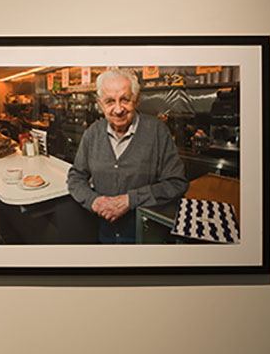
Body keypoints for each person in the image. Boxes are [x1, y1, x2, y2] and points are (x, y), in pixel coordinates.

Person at [66, 69, 188, 243]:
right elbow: (76, 177)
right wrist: (94, 201)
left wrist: (130, 200)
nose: (118, 109)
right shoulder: (92, 134)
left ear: (137, 99)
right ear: (100, 104)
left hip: (146, 235)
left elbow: (177, 183)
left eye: (125, 99)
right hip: (104, 234)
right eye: (109, 101)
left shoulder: (157, 131)